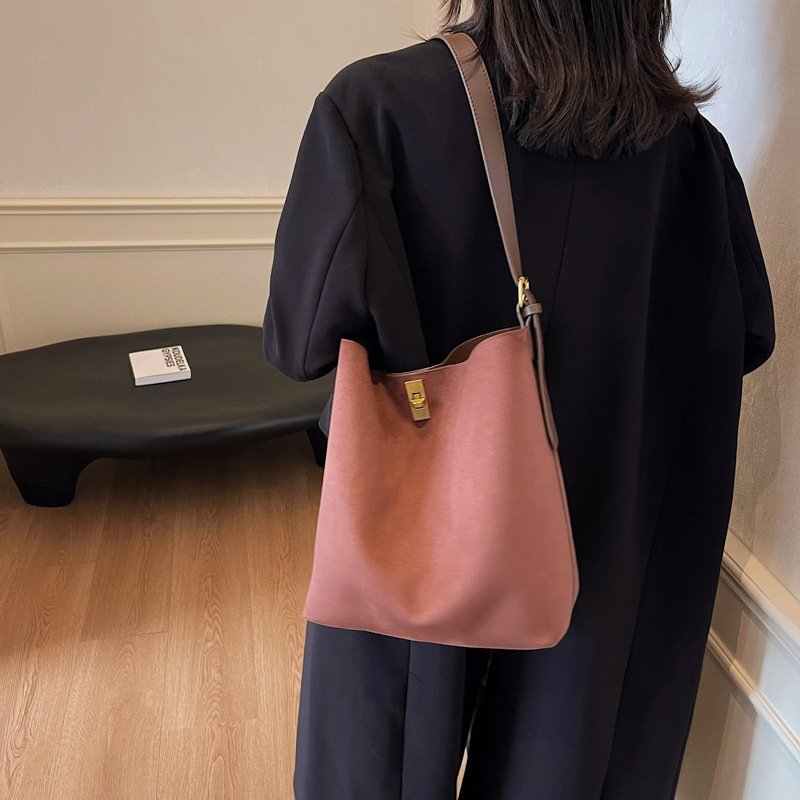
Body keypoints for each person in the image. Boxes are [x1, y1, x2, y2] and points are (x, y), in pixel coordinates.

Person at [261, 1, 776, 798]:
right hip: (610, 543)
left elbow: (297, 345)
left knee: (383, 758)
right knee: (574, 759)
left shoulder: (378, 109)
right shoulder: (693, 159)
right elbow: (745, 339)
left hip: (424, 527)